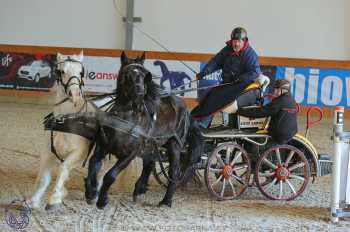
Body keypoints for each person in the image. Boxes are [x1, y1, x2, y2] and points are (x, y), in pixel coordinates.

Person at [191, 27, 261, 127]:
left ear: (244, 41)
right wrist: (204, 72)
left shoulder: (250, 54)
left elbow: (255, 72)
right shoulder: (227, 50)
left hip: (241, 86)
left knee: (215, 99)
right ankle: (196, 120)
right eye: (234, 41)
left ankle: (201, 124)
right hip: (228, 83)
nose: (236, 44)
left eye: (238, 41)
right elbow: (215, 62)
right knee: (208, 96)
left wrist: (240, 78)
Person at [237, 79, 298, 144]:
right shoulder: (290, 99)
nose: (274, 91)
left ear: (283, 90)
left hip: (279, 134)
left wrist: (240, 111)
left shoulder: (280, 101)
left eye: (277, 89)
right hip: (291, 131)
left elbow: (262, 112)